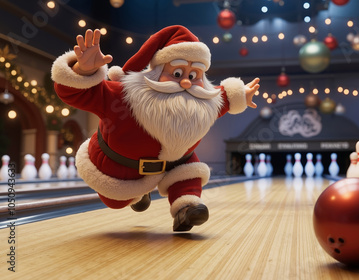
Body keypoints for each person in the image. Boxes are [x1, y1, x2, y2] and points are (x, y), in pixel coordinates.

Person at [51, 25, 259, 231]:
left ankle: (186, 209)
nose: (186, 82)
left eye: (194, 76)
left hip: (175, 161)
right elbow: (76, 94)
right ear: (157, 72)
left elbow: (225, 97)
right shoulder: (124, 94)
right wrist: (83, 71)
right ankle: (137, 194)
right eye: (177, 73)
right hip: (118, 166)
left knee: (189, 172)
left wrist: (241, 95)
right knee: (115, 201)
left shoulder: (206, 101)